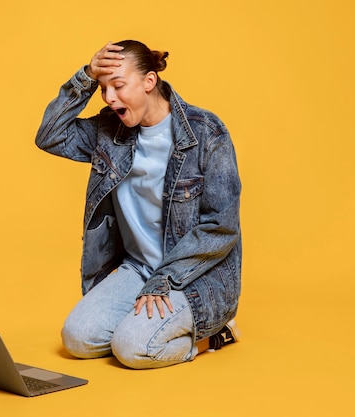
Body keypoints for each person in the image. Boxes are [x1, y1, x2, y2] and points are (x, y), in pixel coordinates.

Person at [35, 40, 242, 369]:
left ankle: (214, 336)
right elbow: (50, 135)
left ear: (149, 82)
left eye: (118, 86)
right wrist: (87, 76)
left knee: (132, 349)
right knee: (76, 338)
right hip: (138, 270)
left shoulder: (208, 134)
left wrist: (165, 280)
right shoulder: (109, 129)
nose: (109, 98)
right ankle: (146, 325)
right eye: (104, 88)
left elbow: (221, 226)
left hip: (190, 276)